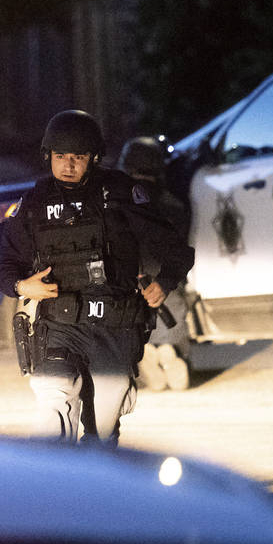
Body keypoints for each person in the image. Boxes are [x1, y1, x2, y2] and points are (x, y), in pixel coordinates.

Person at [0, 110, 194, 445]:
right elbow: (6, 266)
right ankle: (50, 491)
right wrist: (21, 286)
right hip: (58, 325)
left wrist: (165, 282)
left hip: (114, 327)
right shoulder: (34, 203)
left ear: (94, 158)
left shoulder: (120, 194)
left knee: (101, 433)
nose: (68, 165)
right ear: (49, 156)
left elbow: (175, 248)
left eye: (78, 157)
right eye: (61, 156)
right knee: (53, 409)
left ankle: (93, 491)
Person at [116, 135, 193, 392]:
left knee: (134, 321)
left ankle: (147, 352)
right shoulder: (174, 204)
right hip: (165, 280)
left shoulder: (118, 201)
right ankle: (172, 351)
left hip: (130, 280)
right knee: (174, 311)